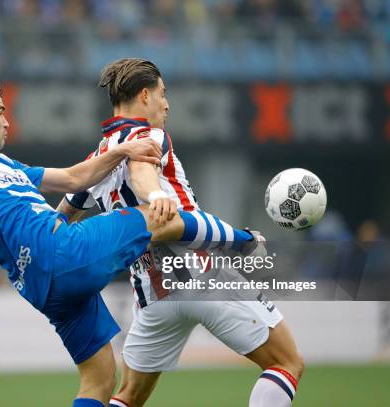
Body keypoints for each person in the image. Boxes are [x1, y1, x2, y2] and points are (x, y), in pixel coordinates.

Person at [0, 79, 259, 407]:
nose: (7, 121)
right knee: (157, 215)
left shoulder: (4, 164)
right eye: (0, 112)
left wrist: (123, 150)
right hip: (58, 252)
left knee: (99, 378)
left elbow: (75, 178)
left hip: (42, 283)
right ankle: (242, 241)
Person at [57, 59, 304, 407]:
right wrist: (155, 194)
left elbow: (64, 213)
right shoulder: (148, 135)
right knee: (287, 362)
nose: (167, 104)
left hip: (152, 297)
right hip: (202, 277)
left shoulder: (99, 156)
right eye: (162, 94)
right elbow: (143, 171)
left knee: (128, 397)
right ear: (145, 95)